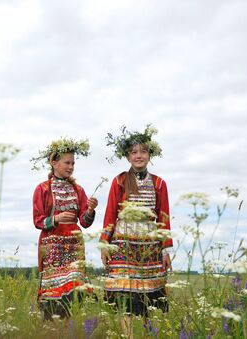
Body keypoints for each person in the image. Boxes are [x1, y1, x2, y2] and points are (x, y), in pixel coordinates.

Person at [100, 125, 173, 331]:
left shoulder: (159, 183)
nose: (139, 156)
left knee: (146, 297)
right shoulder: (120, 180)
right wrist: (105, 243)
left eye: (143, 151)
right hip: (123, 244)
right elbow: (110, 214)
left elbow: (164, 218)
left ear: (150, 154)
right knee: (125, 296)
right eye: (134, 152)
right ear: (127, 156)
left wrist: (166, 249)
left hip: (149, 246)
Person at [31, 138, 98, 320]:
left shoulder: (78, 189)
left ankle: (71, 327)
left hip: (74, 245)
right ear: (54, 163)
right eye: (67, 163)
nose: (71, 167)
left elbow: (84, 221)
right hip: (52, 245)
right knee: (53, 292)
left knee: (75, 290)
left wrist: (90, 210)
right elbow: (37, 220)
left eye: (73, 163)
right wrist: (56, 218)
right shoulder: (42, 189)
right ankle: (52, 329)